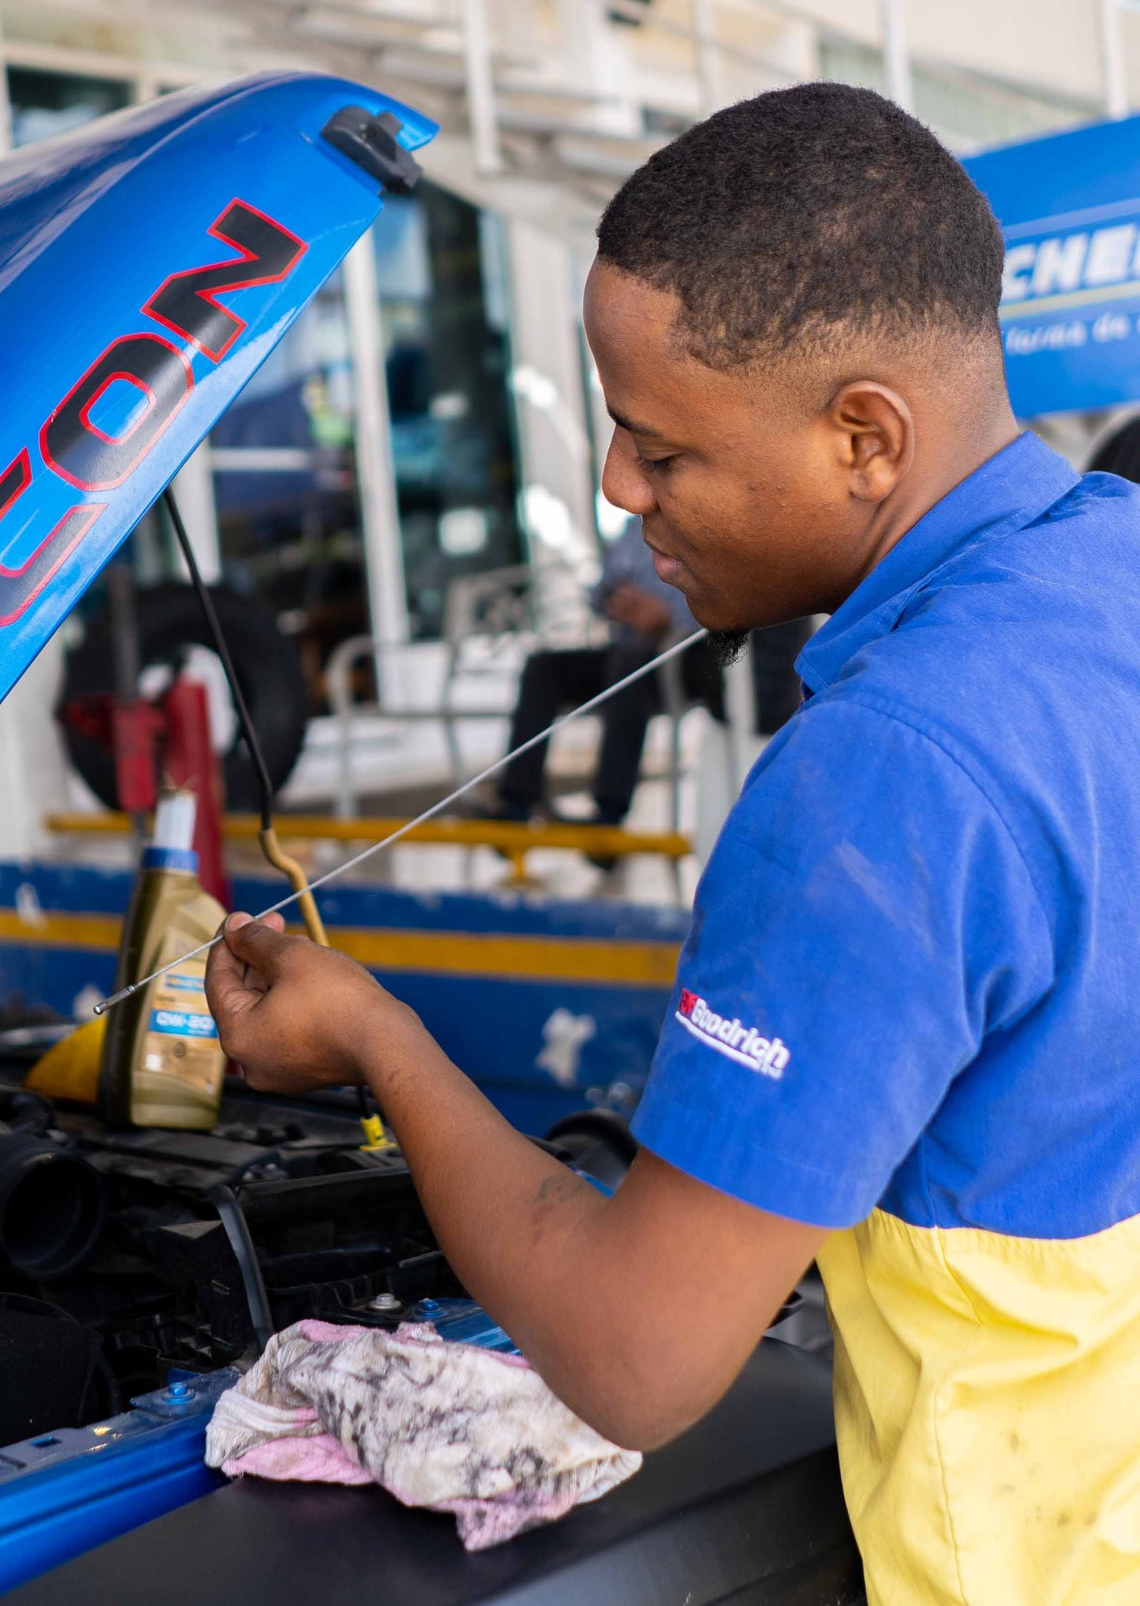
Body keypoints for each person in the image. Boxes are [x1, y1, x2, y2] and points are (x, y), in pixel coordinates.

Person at [206, 83, 1140, 1606]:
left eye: (659, 446)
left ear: (862, 437)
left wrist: (377, 1035)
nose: (617, 489)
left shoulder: (880, 782)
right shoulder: (1113, 569)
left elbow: (637, 1360)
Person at [480, 514, 715, 831]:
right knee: (544, 667)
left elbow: (729, 599)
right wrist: (614, 599)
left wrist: (669, 617)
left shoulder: (708, 519)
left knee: (629, 664)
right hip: (629, 650)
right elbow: (601, 590)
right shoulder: (637, 526)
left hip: (691, 654)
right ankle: (517, 803)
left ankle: (609, 814)